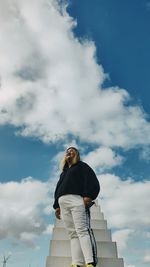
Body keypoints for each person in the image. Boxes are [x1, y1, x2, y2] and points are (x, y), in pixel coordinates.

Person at [53, 147, 100, 267]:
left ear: (77, 154)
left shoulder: (82, 166)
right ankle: (77, 263)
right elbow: (58, 189)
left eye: (72, 150)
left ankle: (90, 262)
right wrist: (57, 206)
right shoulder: (64, 173)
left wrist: (89, 195)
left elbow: (93, 181)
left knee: (82, 231)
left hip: (76, 200)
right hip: (63, 203)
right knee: (72, 234)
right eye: (67, 151)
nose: (69, 152)